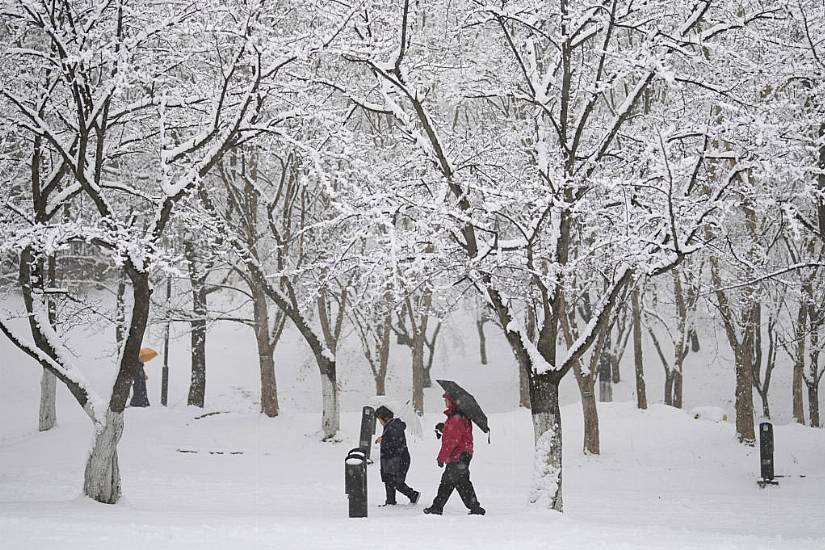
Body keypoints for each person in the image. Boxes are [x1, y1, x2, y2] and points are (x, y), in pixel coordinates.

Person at [423, 393, 485, 515]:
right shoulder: (458, 417)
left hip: (459, 455)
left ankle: (474, 508)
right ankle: (473, 507)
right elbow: (456, 435)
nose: (445, 403)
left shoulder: (456, 418)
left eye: (446, 400)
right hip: (462, 454)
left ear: (452, 402)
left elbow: (451, 441)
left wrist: (441, 457)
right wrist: (443, 428)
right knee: (455, 482)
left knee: (453, 482)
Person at [375, 405, 420, 506]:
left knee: (396, 482)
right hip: (391, 459)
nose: (380, 422)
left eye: (379, 420)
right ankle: (390, 502)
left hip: (399, 459)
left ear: (384, 417)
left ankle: (413, 495)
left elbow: (395, 441)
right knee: (388, 480)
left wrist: (383, 440)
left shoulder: (395, 425)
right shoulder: (389, 426)